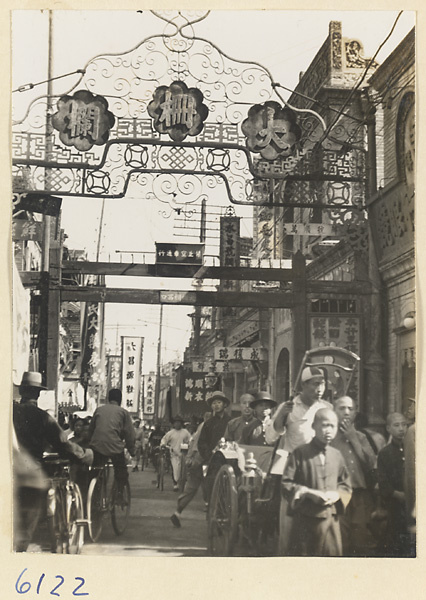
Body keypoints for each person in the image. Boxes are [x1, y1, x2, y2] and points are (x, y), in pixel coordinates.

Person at [13, 371, 93, 552]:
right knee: (24, 531)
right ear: (38, 394)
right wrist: (84, 455)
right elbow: (63, 444)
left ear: (22, 390)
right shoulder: (42, 418)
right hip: (28, 474)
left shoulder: (10, 412)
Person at [264, 366, 332, 554]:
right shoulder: (288, 407)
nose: (320, 388)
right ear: (303, 385)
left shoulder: (327, 408)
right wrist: (281, 417)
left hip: (322, 470)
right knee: (290, 525)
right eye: (315, 384)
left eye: (322, 384)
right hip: (294, 472)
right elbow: (270, 436)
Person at [282, 408, 352, 556]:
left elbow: (345, 484)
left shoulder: (336, 455)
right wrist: (307, 492)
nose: (329, 431)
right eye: (325, 425)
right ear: (314, 426)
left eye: (333, 426)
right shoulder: (300, 453)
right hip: (305, 521)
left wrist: (337, 495)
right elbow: (286, 483)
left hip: (331, 521)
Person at [171, 391, 231, 528]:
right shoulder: (208, 424)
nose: (216, 405)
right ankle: (179, 511)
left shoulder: (231, 422)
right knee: (199, 486)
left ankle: (217, 515)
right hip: (207, 459)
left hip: (225, 459)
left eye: (219, 402)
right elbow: (201, 442)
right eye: (214, 403)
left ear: (225, 404)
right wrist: (208, 454)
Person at [331, 396, 377, 556]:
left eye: (350, 409)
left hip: (359, 494)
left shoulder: (362, 437)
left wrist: (353, 438)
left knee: (361, 537)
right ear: (333, 411)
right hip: (337, 494)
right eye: (341, 408)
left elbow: (370, 464)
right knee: (340, 539)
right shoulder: (328, 437)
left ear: (355, 413)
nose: (346, 412)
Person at [88, 388, 135, 500]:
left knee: (95, 470)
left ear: (108, 399)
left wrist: (90, 444)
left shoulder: (99, 410)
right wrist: (132, 451)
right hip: (115, 446)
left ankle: (93, 493)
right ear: (120, 399)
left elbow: (91, 430)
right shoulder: (123, 412)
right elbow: (130, 434)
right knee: (121, 470)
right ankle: (119, 493)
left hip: (97, 445)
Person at [377, 412, 411, 556]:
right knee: (395, 542)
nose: (401, 429)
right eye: (396, 425)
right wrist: (400, 495)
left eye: (404, 425)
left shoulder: (413, 449)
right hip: (395, 505)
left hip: (413, 504)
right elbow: (383, 482)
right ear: (388, 428)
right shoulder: (385, 453)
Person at [160, 416, 191, 490]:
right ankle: (175, 483)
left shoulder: (185, 432)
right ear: (174, 424)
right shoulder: (170, 433)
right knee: (175, 469)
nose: (177, 424)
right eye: (176, 422)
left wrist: (189, 444)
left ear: (181, 423)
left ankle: (183, 482)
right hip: (173, 453)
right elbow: (164, 440)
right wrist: (163, 445)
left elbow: (191, 440)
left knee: (185, 469)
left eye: (179, 422)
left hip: (183, 453)